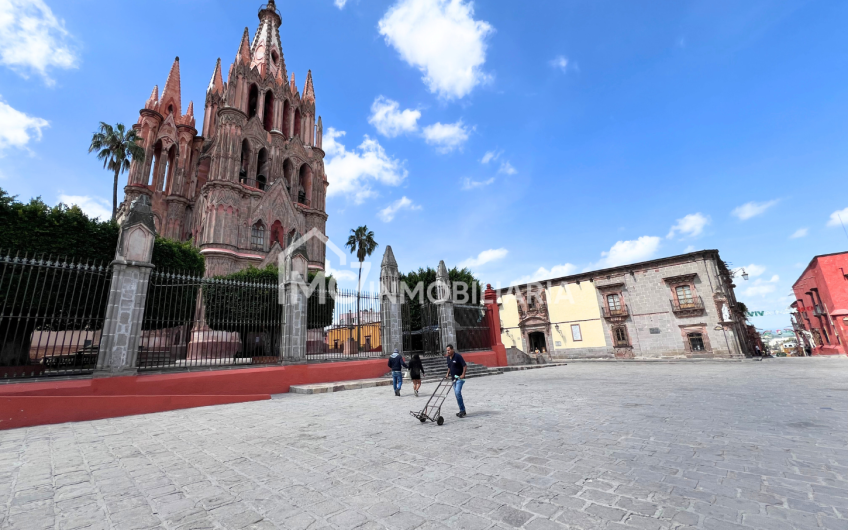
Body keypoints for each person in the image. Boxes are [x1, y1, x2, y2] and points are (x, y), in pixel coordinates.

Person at [444, 344, 467, 417]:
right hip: (453, 379)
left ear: (452, 349)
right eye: (447, 350)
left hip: (460, 378)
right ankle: (462, 410)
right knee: (457, 395)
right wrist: (447, 374)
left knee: (457, 393)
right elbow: (449, 367)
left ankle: (462, 410)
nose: (448, 351)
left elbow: (465, 365)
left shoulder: (458, 356)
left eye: (449, 350)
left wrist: (463, 374)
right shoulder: (448, 358)